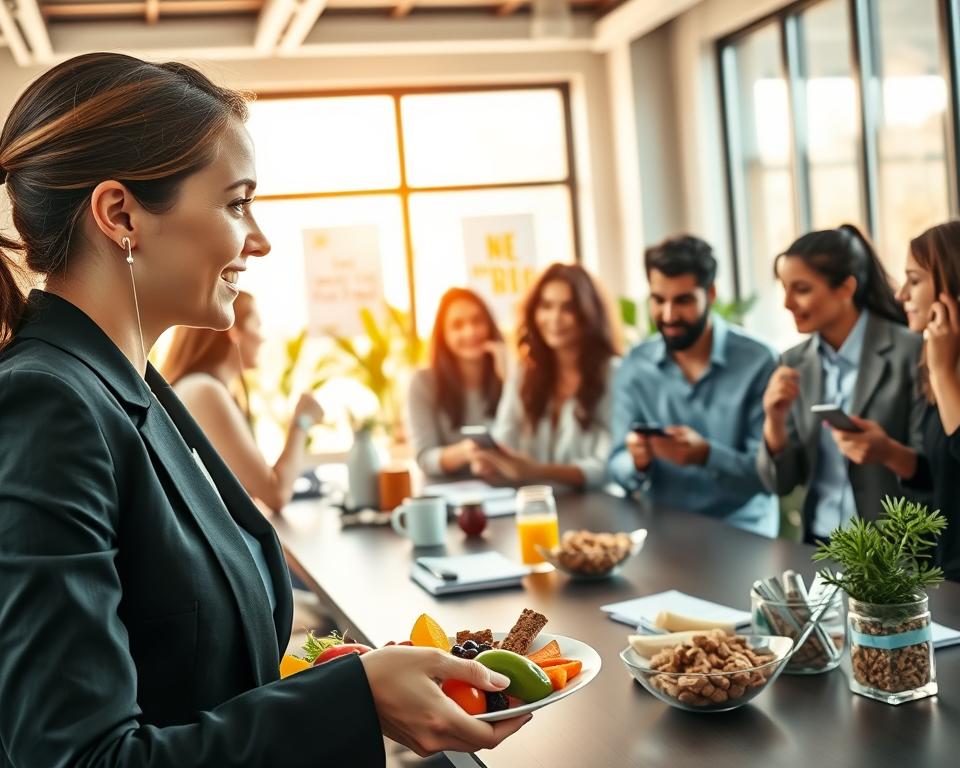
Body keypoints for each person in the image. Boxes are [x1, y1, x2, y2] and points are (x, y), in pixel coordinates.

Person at [0, 53, 529, 767]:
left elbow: (190, 678)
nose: (260, 238)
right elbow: (82, 759)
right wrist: (353, 700)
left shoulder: (135, 389)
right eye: (236, 202)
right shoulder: (48, 405)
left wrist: (348, 678)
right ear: (120, 214)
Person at [756, 224, 925, 544]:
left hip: (895, 553)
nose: (787, 304)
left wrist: (887, 452)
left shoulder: (910, 353)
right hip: (819, 544)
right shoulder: (792, 363)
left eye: (801, 289)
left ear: (846, 288)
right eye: (784, 289)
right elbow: (780, 484)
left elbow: (937, 471)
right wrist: (774, 422)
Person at [609, 235, 779, 537]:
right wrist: (636, 461)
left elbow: (769, 476)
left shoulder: (759, 361)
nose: (669, 315)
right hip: (660, 532)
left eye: (683, 300)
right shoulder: (635, 365)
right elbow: (616, 463)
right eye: (658, 300)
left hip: (741, 531)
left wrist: (706, 455)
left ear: (710, 294)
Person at [840, 221, 960, 580]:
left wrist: (942, 373)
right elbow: (946, 476)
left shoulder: (941, 367)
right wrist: (888, 452)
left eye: (916, 280)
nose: (901, 294)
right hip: (948, 576)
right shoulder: (938, 361)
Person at [162, 290, 324, 513]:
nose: (262, 337)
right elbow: (276, 493)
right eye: (257, 324)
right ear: (233, 331)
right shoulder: (204, 390)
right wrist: (302, 420)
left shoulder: (203, 388)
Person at [471, 262, 618, 491]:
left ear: (589, 313)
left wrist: (536, 471)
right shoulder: (524, 373)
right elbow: (505, 437)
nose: (555, 318)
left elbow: (610, 466)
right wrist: (493, 463)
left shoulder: (614, 375)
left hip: (598, 509)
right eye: (546, 306)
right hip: (536, 509)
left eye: (568, 308)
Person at [406, 287, 504, 478]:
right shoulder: (423, 382)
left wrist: (509, 377)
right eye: (457, 325)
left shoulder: (509, 377)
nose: (470, 332)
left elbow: (529, 444)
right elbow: (425, 457)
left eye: (477, 321)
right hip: (448, 494)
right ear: (444, 335)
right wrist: (468, 452)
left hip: (507, 488)